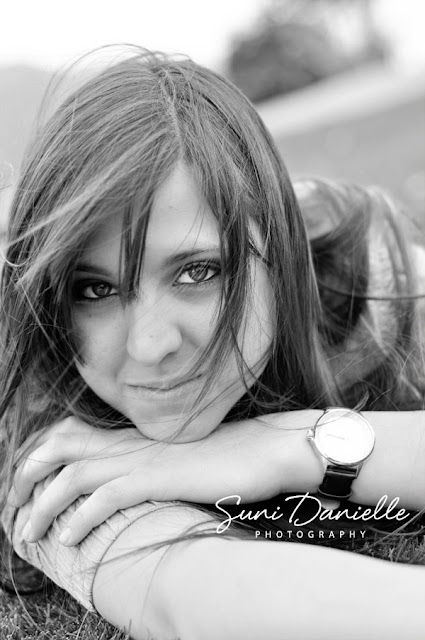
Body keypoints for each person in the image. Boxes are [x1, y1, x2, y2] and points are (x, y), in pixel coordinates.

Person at [0, 46, 424, 639]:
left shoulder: (370, 285)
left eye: (198, 272)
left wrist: (285, 446)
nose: (150, 345)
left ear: (279, 254)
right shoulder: (42, 422)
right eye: (94, 289)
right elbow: (193, 594)